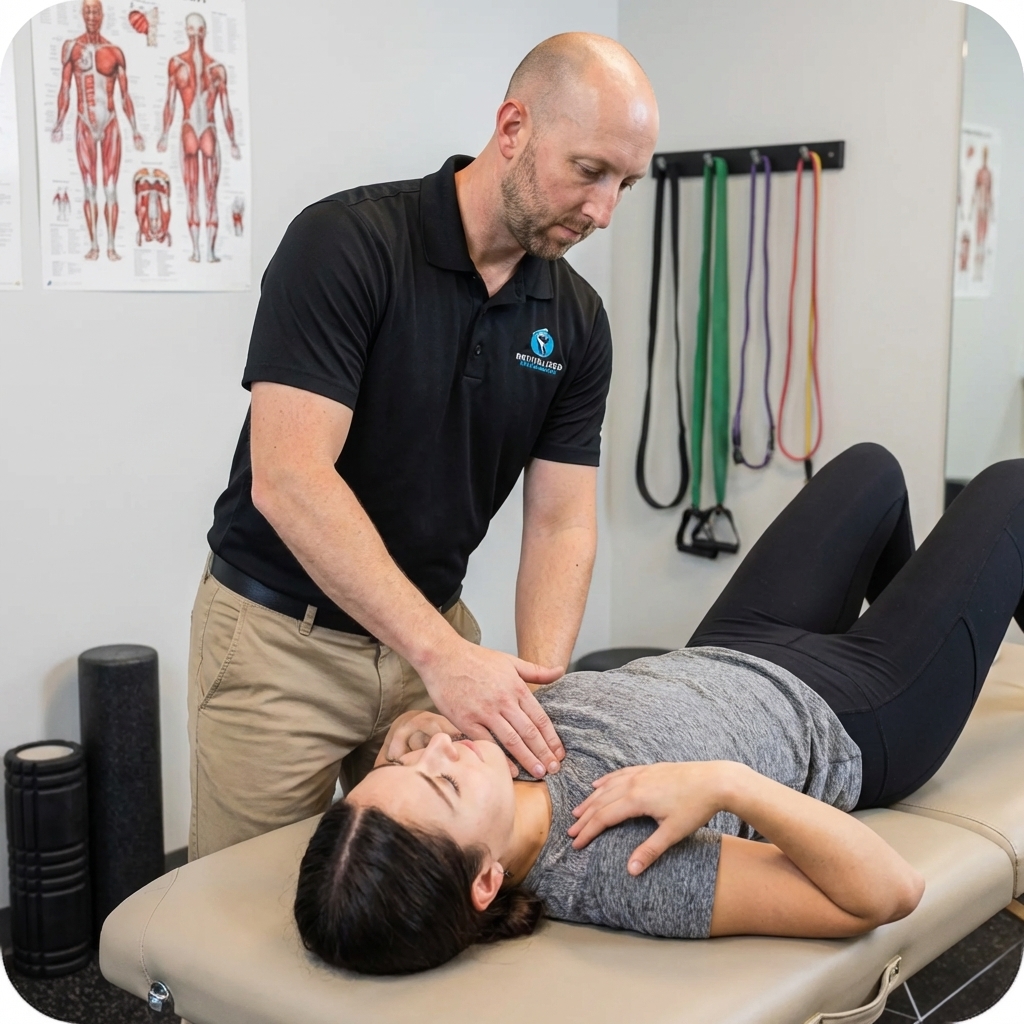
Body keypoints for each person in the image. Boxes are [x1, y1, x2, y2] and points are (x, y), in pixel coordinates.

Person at [188, 34, 659, 861]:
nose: (604, 210)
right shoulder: (348, 244)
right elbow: (290, 477)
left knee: (428, 902)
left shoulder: (577, 321)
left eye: (626, 182)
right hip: (279, 645)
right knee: (246, 918)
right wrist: (445, 656)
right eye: (589, 170)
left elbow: (561, 526)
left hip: (436, 643)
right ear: (513, 127)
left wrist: (530, 694)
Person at [294, 443, 1024, 975]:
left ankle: (948, 613)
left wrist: (411, 730)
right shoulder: (619, 867)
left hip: (733, 646)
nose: (442, 752)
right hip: (853, 712)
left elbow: (428, 753)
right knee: (1012, 489)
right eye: (441, 781)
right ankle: (936, 646)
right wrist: (725, 784)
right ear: (485, 881)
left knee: (873, 472)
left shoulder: (485, 758)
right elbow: (890, 891)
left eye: (409, 762)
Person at [51, 0, 145, 261]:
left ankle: (111, 246)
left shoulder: (114, 51)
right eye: (88, 11)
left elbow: (125, 94)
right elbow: (64, 89)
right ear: (82, 14)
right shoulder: (72, 48)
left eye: (96, 11)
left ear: (103, 15)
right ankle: (94, 245)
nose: (92, 16)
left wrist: (135, 129)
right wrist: (59, 123)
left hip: (111, 122)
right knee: (90, 187)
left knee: (111, 188)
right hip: (84, 121)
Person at [156, 13, 241, 263]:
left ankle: (208, 252)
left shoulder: (216, 69)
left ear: (204, 32)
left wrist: (233, 140)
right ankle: (197, 251)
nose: (195, 35)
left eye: (199, 30)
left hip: (206, 130)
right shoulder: (178, 64)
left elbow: (225, 108)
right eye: (191, 30)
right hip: (191, 129)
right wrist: (163, 133)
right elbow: (170, 103)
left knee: (209, 193)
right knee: (193, 192)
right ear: (186, 30)